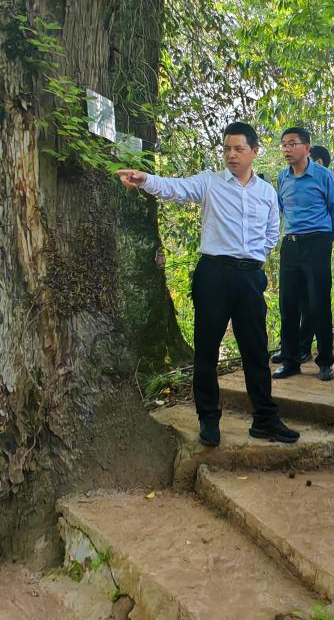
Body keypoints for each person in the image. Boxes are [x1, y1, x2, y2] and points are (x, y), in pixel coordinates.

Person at [116, 122, 299, 448]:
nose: (231, 155)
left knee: (256, 350)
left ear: (254, 151)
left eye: (239, 149)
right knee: (207, 350)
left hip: (250, 277)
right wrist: (145, 180)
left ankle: (265, 419)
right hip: (213, 274)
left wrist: (253, 260)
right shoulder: (210, 182)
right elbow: (175, 188)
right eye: (227, 148)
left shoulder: (267, 193)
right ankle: (209, 419)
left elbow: (273, 233)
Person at [273, 127, 334, 382]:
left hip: (317, 243)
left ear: (307, 147)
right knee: (288, 304)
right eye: (284, 144)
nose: (287, 149)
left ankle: (325, 361)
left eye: (292, 144)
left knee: (318, 304)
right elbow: (281, 208)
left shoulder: (323, 175)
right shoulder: (283, 177)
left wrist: (326, 239)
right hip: (290, 245)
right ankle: (291, 360)